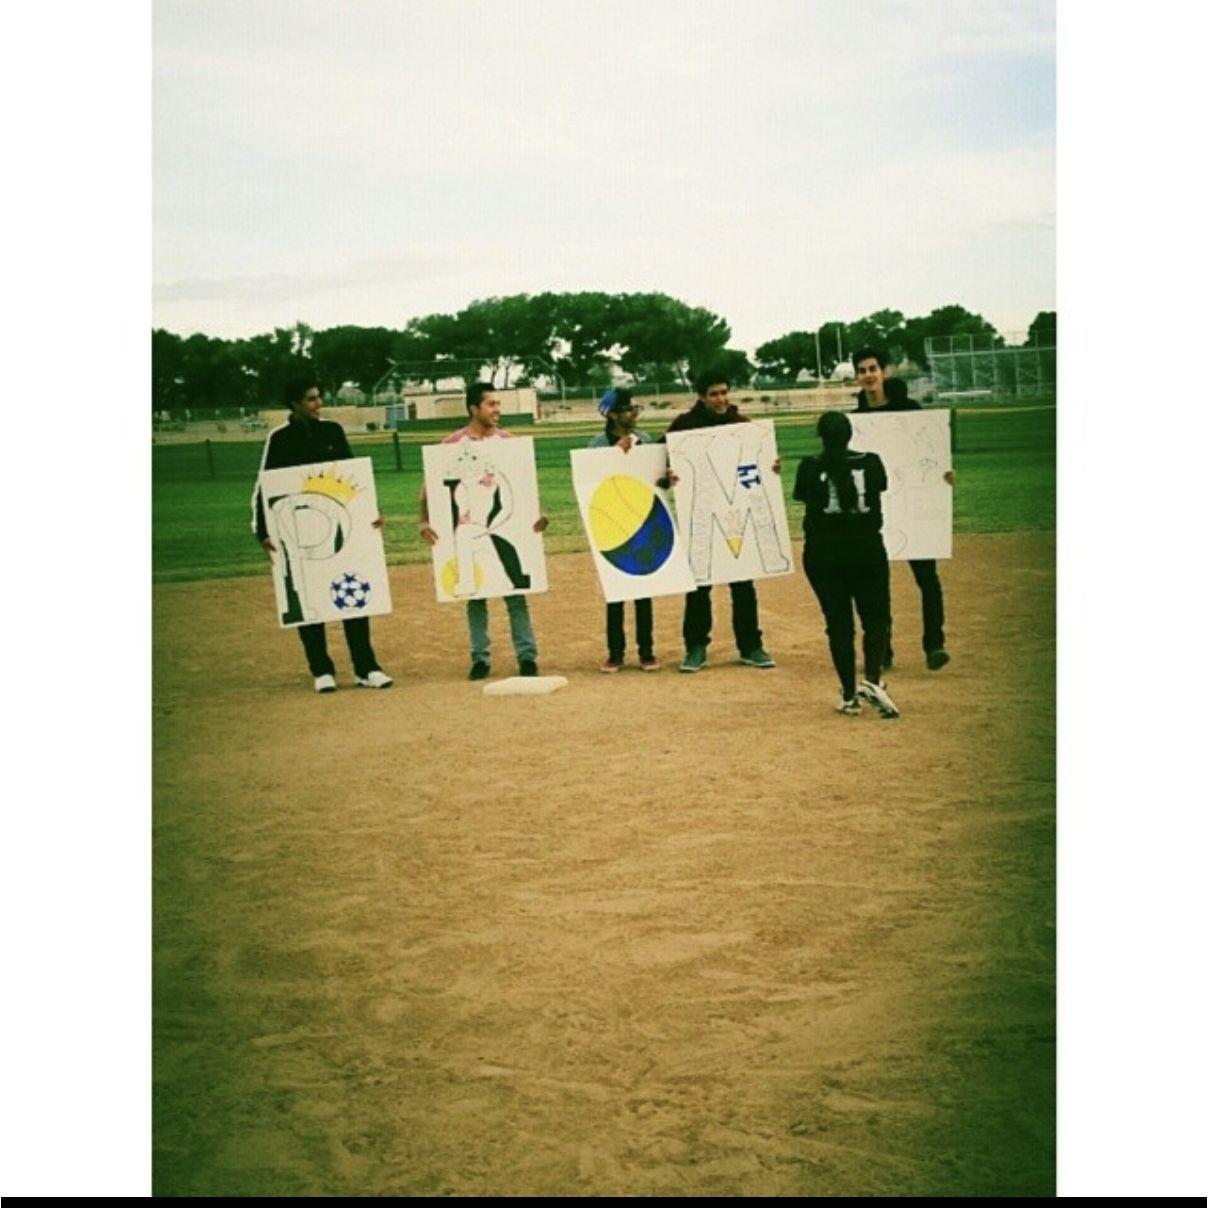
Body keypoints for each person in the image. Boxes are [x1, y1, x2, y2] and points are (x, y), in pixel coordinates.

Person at [252, 374, 393, 693]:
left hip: (339, 527)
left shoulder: (333, 431)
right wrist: (263, 532)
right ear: (294, 404)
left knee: (353, 595)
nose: (319, 404)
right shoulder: (280, 439)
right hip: (300, 531)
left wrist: (371, 510)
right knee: (308, 596)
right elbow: (264, 489)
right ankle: (321, 669)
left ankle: (366, 667)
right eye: (312, 399)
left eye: (319, 397)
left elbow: (351, 475)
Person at [419, 382, 549, 680]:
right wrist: (425, 520)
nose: (497, 410)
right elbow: (430, 491)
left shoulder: (507, 442)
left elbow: (522, 488)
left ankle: (527, 656)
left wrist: (536, 515)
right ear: (473, 409)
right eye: (491, 404)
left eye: (498, 404)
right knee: (475, 595)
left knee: (516, 591)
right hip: (467, 526)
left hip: (501, 524)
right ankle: (480, 658)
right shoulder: (451, 445)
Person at [662, 370, 777, 673]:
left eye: (724, 392)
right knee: (700, 584)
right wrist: (668, 475)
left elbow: (760, 465)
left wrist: (771, 465)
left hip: (737, 512)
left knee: (743, 582)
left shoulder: (742, 426)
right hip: (700, 514)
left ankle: (751, 645)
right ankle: (696, 647)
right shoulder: (684, 426)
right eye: (713, 393)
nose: (721, 399)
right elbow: (661, 460)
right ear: (701, 396)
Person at [794, 410, 900, 718]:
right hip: (866, 548)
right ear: (850, 434)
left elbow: (804, 496)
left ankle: (850, 694)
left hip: (823, 553)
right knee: (876, 618)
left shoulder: (811, 466)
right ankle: (873, 680)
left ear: (821, 437)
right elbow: (879, 488)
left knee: (838, 624)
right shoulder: (871, 461)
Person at [852, 346, 953, 671]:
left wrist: (943, 474)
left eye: (873, 369)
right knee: (875, 585)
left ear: (884, 372)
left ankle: (934, 644)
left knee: (927, 578)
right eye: (862, 370)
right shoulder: (856, 421)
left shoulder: (910, 410)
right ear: (857, 376)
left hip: (912, 506)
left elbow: (929, 452)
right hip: (875, 511)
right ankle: (884, 650)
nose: (868, 375)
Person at [588, 388, 659, 672]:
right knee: (615, 593)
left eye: (634, 408)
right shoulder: (595, 445)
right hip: (611, 523)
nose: (633, 414)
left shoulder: (648, 441)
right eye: (627, 409)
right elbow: (591, 482)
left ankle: (647, 650)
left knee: (644, 591)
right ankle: (615, 652)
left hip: (641, 520)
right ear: (613, 414)